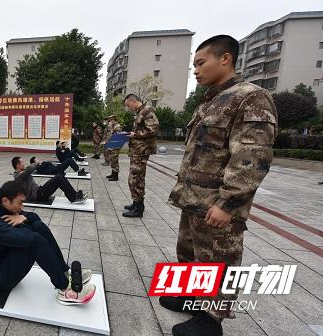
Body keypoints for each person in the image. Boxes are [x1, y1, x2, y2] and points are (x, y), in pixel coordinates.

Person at [165, 35, 277, 336]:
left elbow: (251, 157)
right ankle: (190, 297)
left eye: (201, 63)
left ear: (225, 59)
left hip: (217, 202)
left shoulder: (250, 97)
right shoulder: (211, 101)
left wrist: (228, 203)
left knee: (219, 259)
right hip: (194, 199)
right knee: (190, 252)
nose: (196, 70)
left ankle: (211, 320)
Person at [0, 181, 96, 305]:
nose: (21, 207)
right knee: (35, 239)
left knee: (38, 226)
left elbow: (36, 218)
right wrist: (25, 222)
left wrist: (24, 218)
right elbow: (27, 239)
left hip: (4, 260)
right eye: (20, 203)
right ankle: (65, 289)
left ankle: (64, 272)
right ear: (6, 201)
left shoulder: (8, 209)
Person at [121, 94, 159, 218]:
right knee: (136, 178)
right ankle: (136, 203)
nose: (128, 108)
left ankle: (138, 209)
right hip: (137, 150)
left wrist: (134, 134)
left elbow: (153, 129)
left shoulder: (147, 111)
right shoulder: (140, 112)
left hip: (142, 151)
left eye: (128, 105)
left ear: (133, 101)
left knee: (136, 178)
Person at [12, 156, 88, 204]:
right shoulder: (18, 176)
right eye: (22, 162)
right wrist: (37, 163)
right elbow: (29, 169)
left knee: (60, 175)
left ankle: (75, 194)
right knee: (58, 178)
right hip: (38, 196)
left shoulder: (22, 173)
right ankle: (74, 198)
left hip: (40, 190)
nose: (24, 163)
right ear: (18, 165)